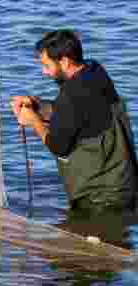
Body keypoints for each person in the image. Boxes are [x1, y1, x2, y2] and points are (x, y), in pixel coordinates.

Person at [12, 29, 137, 214]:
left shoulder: (71, 95)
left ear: (64, 61)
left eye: (47, 65)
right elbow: (76, 114)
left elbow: (58, 146)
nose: (44, 72)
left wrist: (33, 122)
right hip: (125, 181)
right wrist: (38, 105)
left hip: (100, 197)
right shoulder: (94, 70)